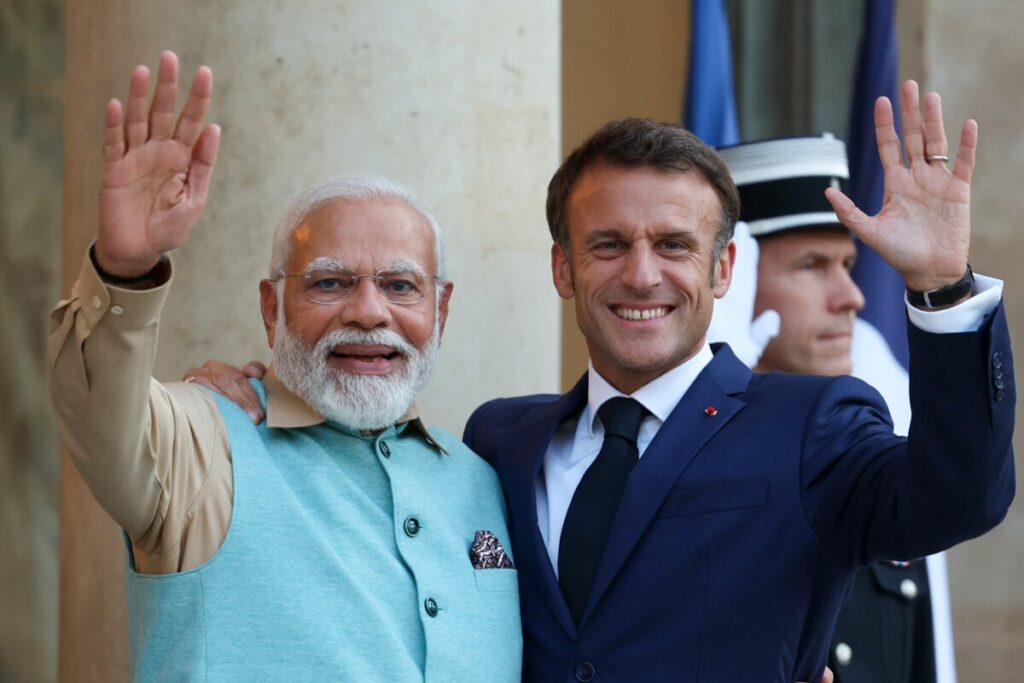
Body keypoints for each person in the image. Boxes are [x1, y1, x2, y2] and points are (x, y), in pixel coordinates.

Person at [463, 82, 1013, 681]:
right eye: (609, 245)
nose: (642, 275)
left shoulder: (811, 426)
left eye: (674, 245)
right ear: (562, 268)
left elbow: (959, 498)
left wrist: (944, 288)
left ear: (722, 268)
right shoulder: (500, 441)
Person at [48, 51, 521, 681]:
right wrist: (124, 269)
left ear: (442, 308)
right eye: (330, 284)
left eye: (401, 286)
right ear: (272, 309)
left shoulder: (481, 480)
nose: (368, 311)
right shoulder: (202, 445)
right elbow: (98, 411)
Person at [712, 134, 958, 682]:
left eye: (847, 264)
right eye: (812, 265)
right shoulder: (670, 469)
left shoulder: (876, 465)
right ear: (729, 275)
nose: (852, 297)